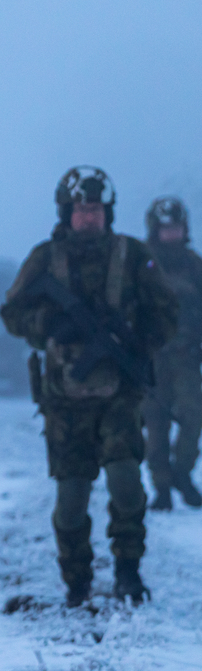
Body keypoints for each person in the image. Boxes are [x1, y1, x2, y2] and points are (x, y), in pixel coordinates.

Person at [0, 166, 178, 607]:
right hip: (64, 400)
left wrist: (139, 342)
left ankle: (128, 571)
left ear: (107, 212)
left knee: (125, 483)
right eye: (81, 209)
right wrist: (50, 326)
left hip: (119, 394)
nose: (88, 217)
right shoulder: (45, 259)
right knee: (72, 498)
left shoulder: (133, 256)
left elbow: (167, 314)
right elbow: (13, 313)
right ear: (67, 211)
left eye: (96, 208)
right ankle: (77, 580)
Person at [142, 196, 202, 510]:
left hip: (188, 356)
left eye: (176, 228)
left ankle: (182, 473)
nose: (171, 235)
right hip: (153, 359)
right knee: (156, 423)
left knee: (194, 417)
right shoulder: (141, 265)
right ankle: (161, 487)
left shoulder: (194, 264)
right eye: (165, 229)